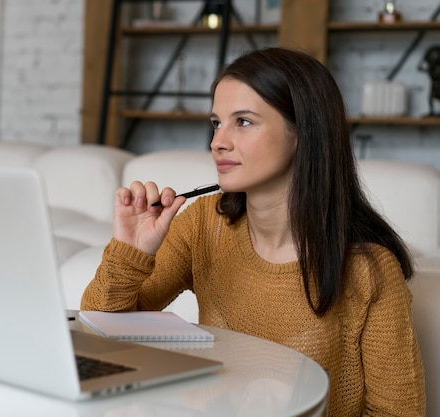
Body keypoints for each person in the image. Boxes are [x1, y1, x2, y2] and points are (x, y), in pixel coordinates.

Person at [81, 47, 425, 416]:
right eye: (216, 123)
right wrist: (130, 252)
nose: (218, 142)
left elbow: (398, 412)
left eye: (243, 121)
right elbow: (99, 332)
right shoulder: (204, 225)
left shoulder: (369, 270)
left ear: (303, 132)